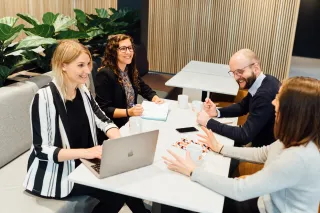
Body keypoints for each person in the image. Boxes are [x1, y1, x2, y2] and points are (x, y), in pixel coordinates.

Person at [23, 40, 149, 213]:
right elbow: (42, 150)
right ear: (63, 66)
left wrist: (118, 140)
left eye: (88, 64)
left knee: (126, 177)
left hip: (84, 164)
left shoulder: (82, 91)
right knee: (118, 192)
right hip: (58, 173)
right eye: (81, 65)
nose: (88, 71)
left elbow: (103, 119)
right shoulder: (45, 98)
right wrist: (87, 152)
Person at [164, 76, 320, 213]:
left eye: (279, 98)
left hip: (266, 208)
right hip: (265, 203)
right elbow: (264, 153)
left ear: (294, 110)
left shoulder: (298, 158)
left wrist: (193, 171)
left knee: (196, 200)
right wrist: (221, 148)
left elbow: (240, 190)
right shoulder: (299, 138)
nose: (273, 102)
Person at [197, 49, 280, 148]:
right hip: (261, 141)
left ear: (256, 68)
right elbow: (243, 106)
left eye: (240, 72)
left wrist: (208, 122)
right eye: (233, 73)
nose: (236, 78)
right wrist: (217, 112)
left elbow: (244, 135)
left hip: (262, 150)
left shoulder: (264, 95)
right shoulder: (266, 80)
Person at [95, 34, 163, 136]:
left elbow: (143, 88)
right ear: (114, 52)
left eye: (130, 48)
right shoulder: (105, 74)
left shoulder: (129, 69)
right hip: (114, 128)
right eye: (123, 48)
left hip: (132, 121)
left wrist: (155, 98)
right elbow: (103, 109)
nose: (128, 52)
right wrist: (129, 112)